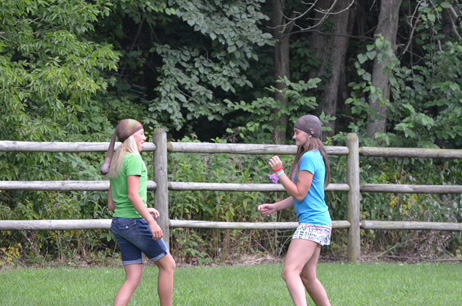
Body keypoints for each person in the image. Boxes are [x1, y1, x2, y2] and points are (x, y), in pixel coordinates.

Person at [258, 115, 332, 306]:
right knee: (307, 277)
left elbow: (299, 194)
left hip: (313, 223)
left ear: (310, 133)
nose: (294, 137)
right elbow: (302, 195)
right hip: (319, 222)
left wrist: (280, 172)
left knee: (289, 272)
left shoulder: (309, 157)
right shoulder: (313, 155)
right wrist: (276, 206)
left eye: (297, 132)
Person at [101, 119, 175, 306]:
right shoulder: (133, 159)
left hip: (119, 223)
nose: (144, 137)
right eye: (141, 133)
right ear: (131, 136)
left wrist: (145, 207)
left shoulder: (117, 160)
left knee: (133, 278)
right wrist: (150, 220)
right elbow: (133, 195)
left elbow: (112, 204)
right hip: (134, 223)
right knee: (168, 266)